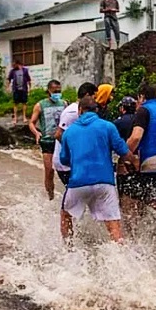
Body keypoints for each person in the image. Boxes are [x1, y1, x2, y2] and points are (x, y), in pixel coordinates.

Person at [60, 97, 138, 243]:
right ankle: (121, 255)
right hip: (105, 183)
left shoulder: (69, 132)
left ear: (80, 111)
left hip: (78, 183)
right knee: (113, 225)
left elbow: (64, 159)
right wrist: (135, 161)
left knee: (65, 216)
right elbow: (123, 151)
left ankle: (68, 250)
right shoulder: (108, 126)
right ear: (96, 110)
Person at [123, 84, 156, 242]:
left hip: (148, 164)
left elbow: (136, 137)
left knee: (128, 201)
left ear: (141, 97)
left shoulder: (144, 110)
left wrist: (125, 154)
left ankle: (132, 241)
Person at [53, 82, 99, 186]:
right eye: (93, 97)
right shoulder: (73, 111)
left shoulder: (77, 109)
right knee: (75, 195)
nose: (94, 100)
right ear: (87, 95)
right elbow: (58, 134)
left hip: (71, 162)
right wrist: (74, 152)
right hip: (66, 163)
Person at [29, 80, 66, 200]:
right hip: (47, 141)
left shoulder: (64, 103)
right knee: (49, 171)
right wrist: (36, 133)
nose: (57, 93)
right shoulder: (40, 105)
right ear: (49, 91)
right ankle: (51, 196)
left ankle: (69, 194)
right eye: (55, 91)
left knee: (68, 169)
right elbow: (31, 123)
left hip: (61, 140)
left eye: (59, 91)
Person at [7, 60, 32, 124]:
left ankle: (24, 117)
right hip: (16, 89)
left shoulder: (25, 70)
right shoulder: (12, 71)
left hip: (24, 89)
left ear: (17, 64)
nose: (13, 66)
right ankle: (15, 118)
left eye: (14, 64)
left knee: (24, 103)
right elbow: (9, 79)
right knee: (15, 103)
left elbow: (28, 79)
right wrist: (8, 87)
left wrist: (30, 87)